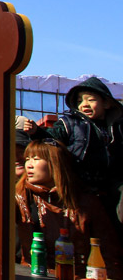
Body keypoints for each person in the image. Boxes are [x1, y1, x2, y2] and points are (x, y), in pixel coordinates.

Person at [15, 139, 122, 278]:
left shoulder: (87, 203)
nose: (29, 165)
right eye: (27, 159)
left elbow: (109, 252)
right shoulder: (19, 198)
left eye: (36, 159)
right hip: (32, 275)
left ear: (56, 163)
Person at [39, 76, 123, 228]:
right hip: (78, 185)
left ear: (107, 103)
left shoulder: (117, 127)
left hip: (110, 187)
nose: (84, 104)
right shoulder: (70, 123)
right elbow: (50, 140)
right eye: (79, 101)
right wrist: (36, 133)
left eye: (90, 100)